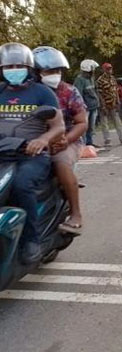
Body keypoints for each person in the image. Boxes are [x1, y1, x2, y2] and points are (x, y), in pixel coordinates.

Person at [0, 43, 65, 263]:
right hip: (3, 151)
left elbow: (58, 126)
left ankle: (31, 240)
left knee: (21, 184)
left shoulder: (42, 92)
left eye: (19, 65)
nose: (14, 69)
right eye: (9, 66)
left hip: (32, 155)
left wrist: (42, 140)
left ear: (28, 68)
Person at [32, 46, 87, 234]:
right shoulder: (26, 93)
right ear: (36, 72)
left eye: (57, 71)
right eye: (49, 71)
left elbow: (82, 123)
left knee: (60, 162)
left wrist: (66, 140)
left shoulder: (69, 92)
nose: (54, 75)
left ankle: (76, 214)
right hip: (31, 141)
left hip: (66, 141)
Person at [96, 63, 122, 146]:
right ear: (104, 70)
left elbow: (115, 90)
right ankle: (107, 140)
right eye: (108, 69)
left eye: (110, 68)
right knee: (105, 123)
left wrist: (118, 101)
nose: (109, 70)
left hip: (113, 104)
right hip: (105, 104)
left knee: (117, 122)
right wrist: (103, 105)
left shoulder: (113, 78)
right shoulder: (100, 80)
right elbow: (99, 94)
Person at [74, 59, 100, 147]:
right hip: (85, 108)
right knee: (84, 127)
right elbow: (79, 95)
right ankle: (83, 144)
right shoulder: (80, 80)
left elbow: (95, 91)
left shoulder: (91, 79)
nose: (94, 71)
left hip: (93, 106)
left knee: (91, 127)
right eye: (93, 69)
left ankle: (89, 142)